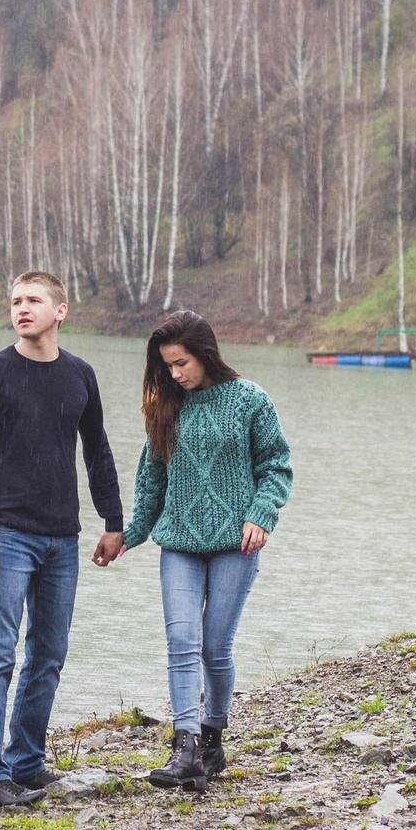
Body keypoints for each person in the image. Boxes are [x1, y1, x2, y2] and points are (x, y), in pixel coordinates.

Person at [0, 271, 124, 808]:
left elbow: (97, 452)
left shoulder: (80, 375)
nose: (21, 309)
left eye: (33, 301)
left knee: (48, 653)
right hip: (3, 536)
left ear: (60, 310)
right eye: (15, 302)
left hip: (62, 540)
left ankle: (27, 762)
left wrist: (114, 522)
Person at [115, 310, 293, 790]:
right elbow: (151, 480)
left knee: (215, 647)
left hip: (237, 543)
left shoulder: (250, 400)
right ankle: (185, 747)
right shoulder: (165, 407)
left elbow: (276, 466)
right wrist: (129, 535)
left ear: (204, 353)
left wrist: (262, 514)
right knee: (182, 642)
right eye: (167, 366)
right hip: (178, 544)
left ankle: (212, 739)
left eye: (180, 363)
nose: (174, 374)